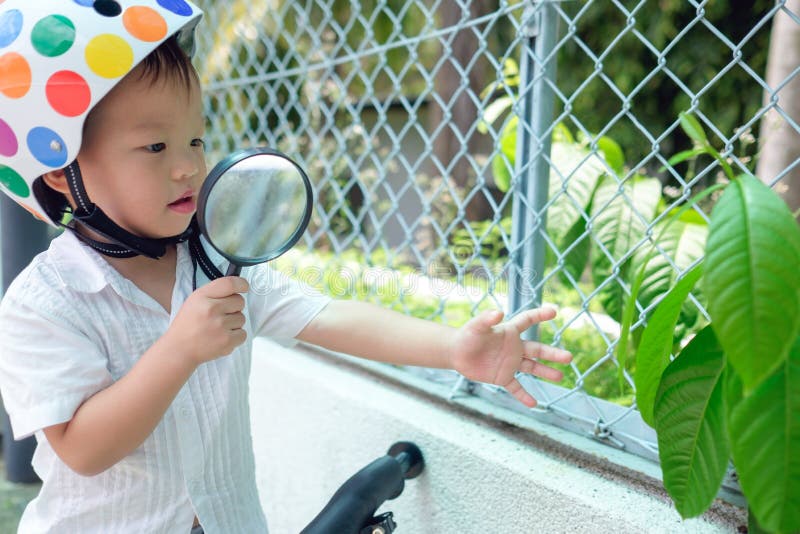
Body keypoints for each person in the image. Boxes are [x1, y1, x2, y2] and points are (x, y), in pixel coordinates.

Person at [0, 1, 573, 532]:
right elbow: (82, 448)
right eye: (155, 148)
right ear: (59, 171)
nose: (188, 168)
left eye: (195, 140)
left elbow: (324, 314)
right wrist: (178, 350)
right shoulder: (45, 303)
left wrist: (454, 349)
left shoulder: (217, 261)